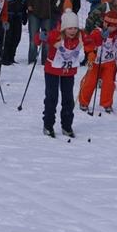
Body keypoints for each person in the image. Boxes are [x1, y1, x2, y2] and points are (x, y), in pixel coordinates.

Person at [79, 9, 117, 113]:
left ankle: (106, 104)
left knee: (109, 84)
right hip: (95, 62)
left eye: (114, 26)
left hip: (109, 63)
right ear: (105, 23)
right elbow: (89, 44)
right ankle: (83, 102)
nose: (112, 28)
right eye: (109, 25)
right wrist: (90, 53)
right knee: (90, 82)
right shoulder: (97, 32)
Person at [38, 10, 82, 138]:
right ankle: (48, 125)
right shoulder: (55, 35)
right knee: (52, 98)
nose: (72, 31)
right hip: (52, 70)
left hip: (68, 72)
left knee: (68, 99)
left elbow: (92, 41)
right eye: (69, 28)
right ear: (64, 28)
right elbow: (38, 39)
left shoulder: (79, 37)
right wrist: (40, 36)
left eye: (75, 28)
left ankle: (67, 126)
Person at [25, 0, 58, 66]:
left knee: (47, 39)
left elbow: (57, 0)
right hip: (34, 14)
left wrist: (52, 10)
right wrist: (29, 5)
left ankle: (45, 60)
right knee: (33, 38)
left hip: (47, 16)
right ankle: (31, 60)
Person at [1, 0, 27, 65]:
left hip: (18, 13)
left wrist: (25, 12)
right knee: (7, 36)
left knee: (17, 37)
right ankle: (4, 57)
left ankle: (11, 56)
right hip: (7, 13)